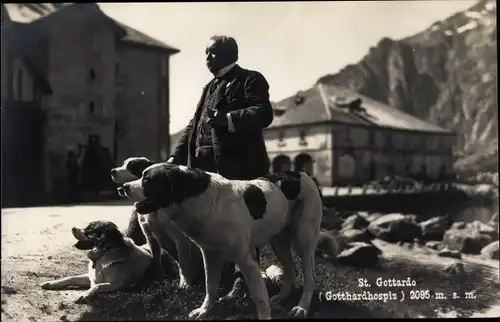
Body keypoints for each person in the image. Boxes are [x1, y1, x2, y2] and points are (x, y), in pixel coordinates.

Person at [168, 35, 274, 299]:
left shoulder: (250, 79)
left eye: (213, 52)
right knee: (213, 225)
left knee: (241, 225)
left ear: (230, 54)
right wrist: (175, 158)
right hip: (204, 170)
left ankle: (242, 282)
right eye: (205, 53)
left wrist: (227, 119)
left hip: (238, 167)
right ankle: (220, 278)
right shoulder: (209, 87)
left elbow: (263, 113)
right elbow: (194, 126)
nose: (207, 58)